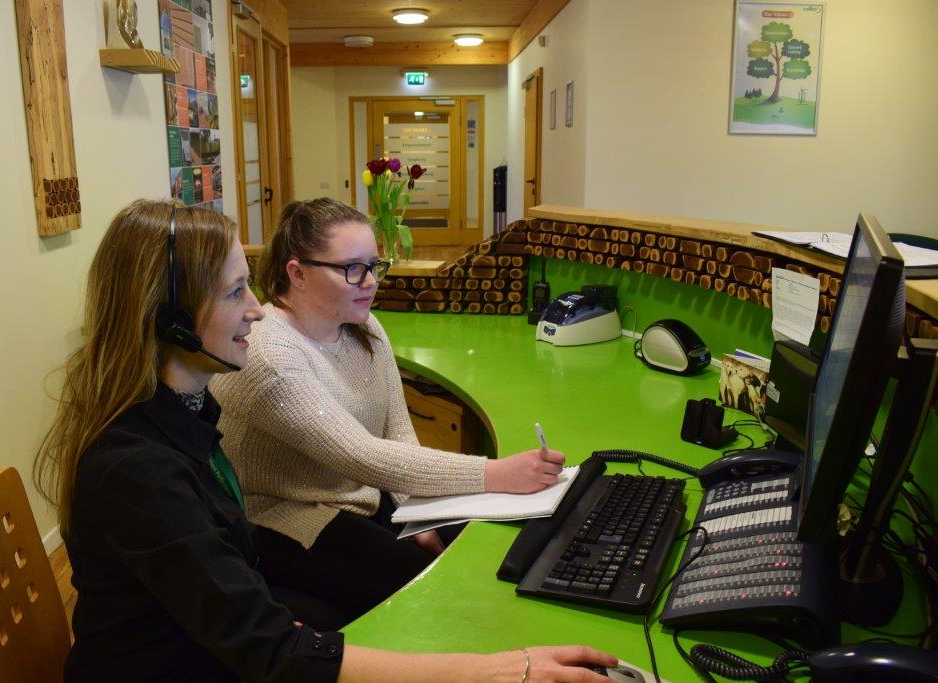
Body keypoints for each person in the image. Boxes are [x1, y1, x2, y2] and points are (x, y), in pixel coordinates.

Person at [33, 199, 618, 682]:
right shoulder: (139, 471)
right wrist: (501, 671)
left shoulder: (186, 412)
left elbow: (230, 597)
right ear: (170, 319)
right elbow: (271, 653)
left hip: (203, 638)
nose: (257, 312)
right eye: (236, 292)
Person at [212, 198, 566, 623]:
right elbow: (360, 454)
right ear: (297, 273)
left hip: (356, 496)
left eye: (375, 266)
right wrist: (497, 473)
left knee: (473, 543)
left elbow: (396, 428)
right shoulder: (269, 357)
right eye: (351, 269)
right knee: (429, 588)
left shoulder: (362, 325)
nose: (369, 282)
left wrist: (418, 515)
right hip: (284, 515)